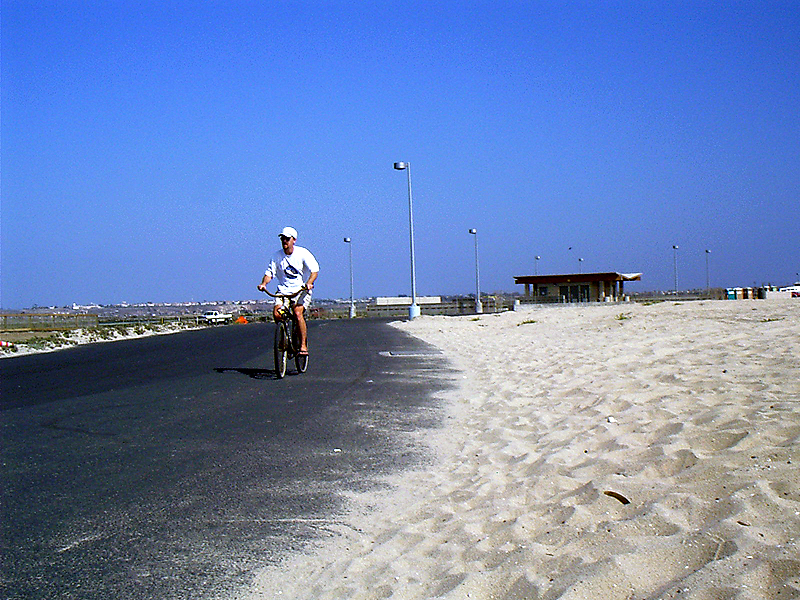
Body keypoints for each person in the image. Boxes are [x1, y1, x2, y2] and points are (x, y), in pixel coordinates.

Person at [258, 226, 319, 355]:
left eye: (287, 238)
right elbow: (269, 273)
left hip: (300, 290)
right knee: (277, 314)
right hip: (283, 291)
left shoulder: (303, 253)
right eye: (282, 239)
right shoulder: (277, 256)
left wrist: (309, 283)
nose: (284, 241)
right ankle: (283, 337)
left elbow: (314, 271)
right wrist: (264, 284)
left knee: (297, 313)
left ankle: (303, 345)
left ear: (294, 240)